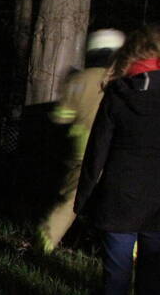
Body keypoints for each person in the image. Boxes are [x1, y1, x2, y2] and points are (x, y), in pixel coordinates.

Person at [74, 24, 160, 295]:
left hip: (118, 202)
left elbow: (96, 156)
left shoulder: (117, 93)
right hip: (159, 206)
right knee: (152, 288)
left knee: (116, 283)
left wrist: (82, 203)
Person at [37, 29, 125, 254]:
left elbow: (61, 117)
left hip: (79, 148)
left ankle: (45, 241)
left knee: (72, 199)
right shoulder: (117, 81)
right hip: (111, 150)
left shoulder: (77, 80)